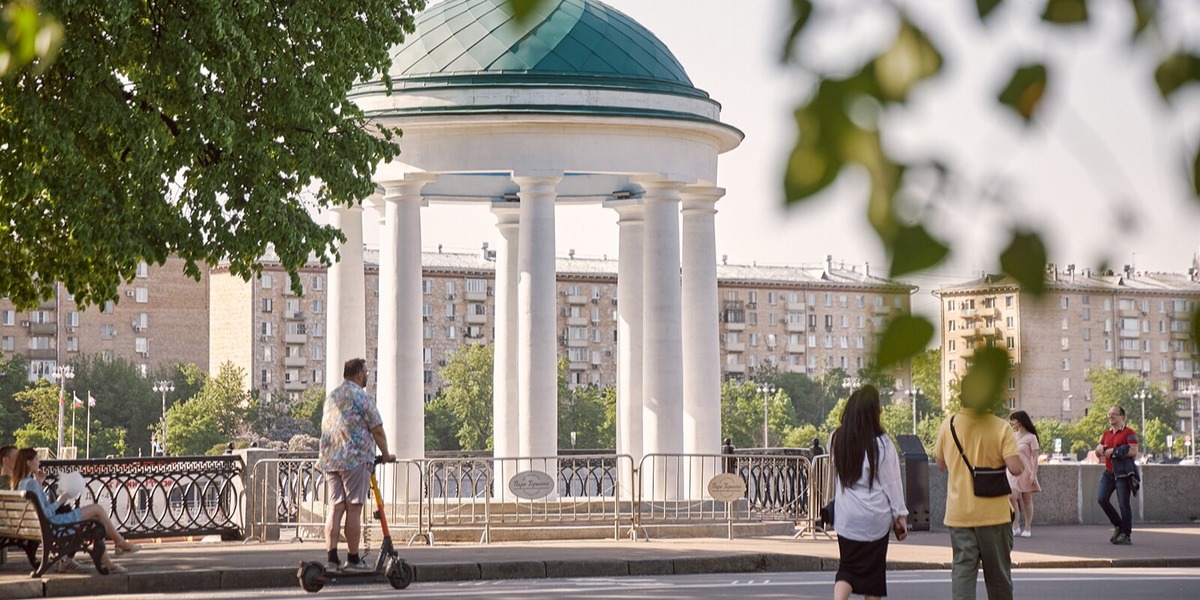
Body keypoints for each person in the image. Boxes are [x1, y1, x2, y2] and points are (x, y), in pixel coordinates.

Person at [935, 401, 1023, 600]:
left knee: (962, 573)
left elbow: (940, 463)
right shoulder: (1000, 426)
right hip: (994, 515)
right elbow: (1015, 468)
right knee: (998, 576)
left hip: (959, 515)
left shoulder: (949, 424)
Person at [830, 385, 908, 600]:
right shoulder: (882, 444)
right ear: (874, 412)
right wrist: (899, 516)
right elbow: (892, 483)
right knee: (873, 578)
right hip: (875, 518)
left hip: (847, 516)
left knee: (846, 568)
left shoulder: (837, 438)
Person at [317, 358, 394, 573]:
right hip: (355, 459)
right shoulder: (361, 396)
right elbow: (377, 429)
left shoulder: (332, 396)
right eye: (366, 372)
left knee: (335, 506)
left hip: (331, 459)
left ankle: (332, 559)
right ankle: (353, 559)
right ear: (359, 375)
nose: (368, 376)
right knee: (353, 508)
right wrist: (386, 454)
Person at [10, 448, 139, 573]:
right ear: (28, 463)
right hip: (53, 525)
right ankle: (120, 543)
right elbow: (45, 513)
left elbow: (39, 508)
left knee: (94, 521)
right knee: (97, 509)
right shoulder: (30, 484)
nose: (39, 462)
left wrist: (39, 482)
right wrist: (59, 501)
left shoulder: (22, 483)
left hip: (41, 525)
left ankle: (110, 562)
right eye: (37, 459)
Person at [1095, 405, 1138, 545]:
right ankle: (1119, 525)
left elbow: (1133, 451)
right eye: (1109, 414)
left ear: (1122, 417)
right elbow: (1098, 451)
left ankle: (1126, 534)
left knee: (1123, 504)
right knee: (1102, 498)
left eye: (1114, 414)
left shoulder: (1129, 432)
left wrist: (1114, 451)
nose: (1110, 416)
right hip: (1109, 472)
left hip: (1123, 474)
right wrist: (1099, 449)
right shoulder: (1106, 433)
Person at [1006, 411, 1041, 538]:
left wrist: (1034, 474)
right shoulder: (1013, 436)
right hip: (1012, 470)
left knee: (1027, 498)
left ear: (1020, 421)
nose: (1012, 423)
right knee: (1011, 496)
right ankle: (1015, 525)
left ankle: (1027, 527)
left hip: (1026, 470)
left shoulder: (1031, 437)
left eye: (1013, 420)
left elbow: (1035, 457)